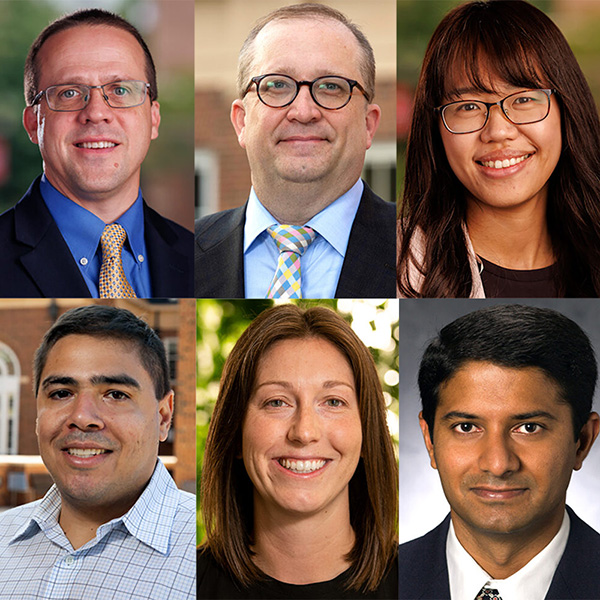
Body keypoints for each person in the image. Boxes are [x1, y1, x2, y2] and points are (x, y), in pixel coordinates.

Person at [397, 0, 600, 298]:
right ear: (435, 128)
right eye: (468, 106)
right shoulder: (392, 260)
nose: (498, 132)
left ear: (567, 108)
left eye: (523, 100)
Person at [398, 304, 600, 600]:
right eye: (466, 427)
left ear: (582, 440)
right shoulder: (384, 582)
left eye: (529, 428)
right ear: (429, 440)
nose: (497, 464)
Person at [194, 3, 396, 299]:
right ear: (241, 121)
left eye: (331, 86)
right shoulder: (181, 256)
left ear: (368, 124)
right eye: (277, 85)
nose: (303, 111)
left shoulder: (425, 252)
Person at [198, 304, 398, 598]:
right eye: (277, 402)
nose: (304, 432)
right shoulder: (178, 584)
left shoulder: (425, 583)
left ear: (367, 432)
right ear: (235, 431)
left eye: (332, 402)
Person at [0, 305, 195, 599]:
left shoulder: (208, 552)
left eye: (116, 394)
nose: (82, 416)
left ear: (164, 416)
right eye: (61, 393)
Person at [0, 9, 193, 298]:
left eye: (120, 90)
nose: (97, 113)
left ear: (153, 118)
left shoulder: (198, 256)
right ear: (32, 123)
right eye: (68, 92)